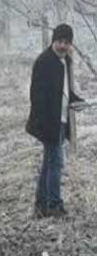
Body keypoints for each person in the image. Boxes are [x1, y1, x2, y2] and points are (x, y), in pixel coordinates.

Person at [26, 23, 85, 218]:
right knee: (56, 162)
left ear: (70, 45)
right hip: (48, 123)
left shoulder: (65, 61)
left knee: (49, 162)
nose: (62, 45)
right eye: (59, 41)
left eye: (67, 42)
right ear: (53, 41)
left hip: (60, 120)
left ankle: (41, 203)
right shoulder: (44, 62)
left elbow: (64, 90)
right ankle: (54, 205)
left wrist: (76, 100)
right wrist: (44, 124)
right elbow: (37, 96)